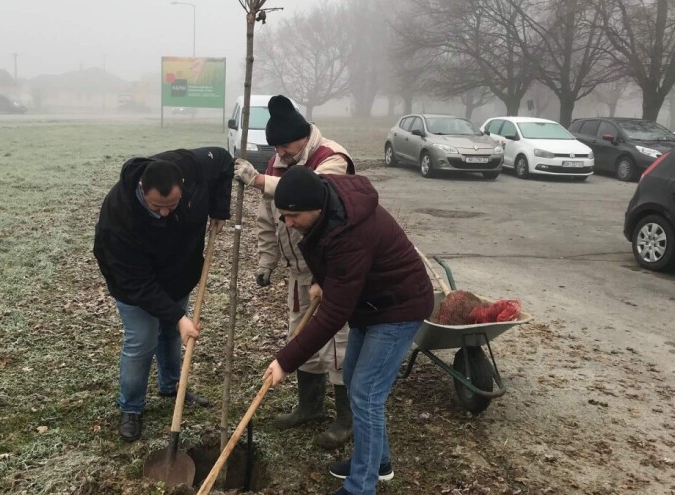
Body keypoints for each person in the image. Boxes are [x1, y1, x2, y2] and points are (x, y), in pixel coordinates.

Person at [261, 166, 434, 495]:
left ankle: (361, 486)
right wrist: (322, 280)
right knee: (355, 379)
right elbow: (330, 259)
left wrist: (286, 361)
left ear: (314, 207)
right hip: (371, 304)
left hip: (399, 306)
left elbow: (333, 314)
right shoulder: (326, 205)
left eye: (292, 216)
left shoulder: (349, 233)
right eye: (283, 216)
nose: (288, 223)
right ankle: (377, 463)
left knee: (366, 393)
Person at [233, 95, 356, 448]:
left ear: (303, 136)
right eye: (276, 147)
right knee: (299, 338)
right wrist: (266, 262)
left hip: (333, 270)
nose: (281, 153)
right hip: (298, 272)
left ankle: (345, 419)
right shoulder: (278, 161)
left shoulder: (332, 157)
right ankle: (309, 406)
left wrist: (257, 180)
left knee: (338, 344)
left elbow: (314, 191)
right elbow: (267, 220)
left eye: (285, 145)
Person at [93, 147, 235, 442]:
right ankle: (131, 407)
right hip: (134, 285)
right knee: (141, 342)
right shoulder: (117, 218)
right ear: (142, 189)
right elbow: (136, 283)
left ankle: (171, 386)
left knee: (172, 333)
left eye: (172, 204)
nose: (165, 212)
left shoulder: (191, 168)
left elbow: (223, 161)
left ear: (182, 185)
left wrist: (219, 209)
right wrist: (177, 315)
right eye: (157, 206)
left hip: (178, 273)